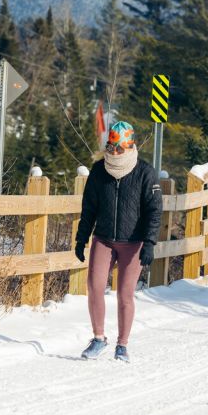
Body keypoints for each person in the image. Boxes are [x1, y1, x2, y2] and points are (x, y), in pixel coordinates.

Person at [74, 120, 162, 362]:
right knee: (94, 286)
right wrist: (81, 239)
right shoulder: (98, 171)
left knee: (125, 294)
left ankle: (122, 344)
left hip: (133, 243)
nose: (114, 153)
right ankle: (99, 338)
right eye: (110, 148)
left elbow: (154, 210)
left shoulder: (144, 172)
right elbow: (88, 208)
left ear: (130, 146)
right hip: (103, 238)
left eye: (119, 149)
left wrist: (150, 242)